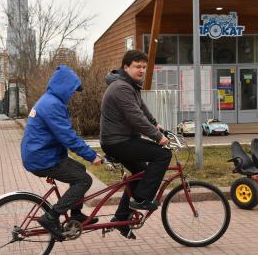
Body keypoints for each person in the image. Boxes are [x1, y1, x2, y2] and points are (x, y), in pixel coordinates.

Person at [21, 65, 102, 241]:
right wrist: (92, 156)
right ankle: (51, 217)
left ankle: (76, 215)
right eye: (72, 90)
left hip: (42, 154)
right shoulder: (52, 105)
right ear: (64, 86)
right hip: (43, 159)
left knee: (79, 169)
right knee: (84, 180)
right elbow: (68, 137)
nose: (73, 94)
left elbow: (63, 135)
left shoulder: (49, 100)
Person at [100, 50, 172, 239]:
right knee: (163, 155)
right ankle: (140, 200)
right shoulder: (121, 88)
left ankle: (120, 218)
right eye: (137, 66)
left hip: (123, 139)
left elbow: (142, 110)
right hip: (118, 142)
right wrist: (158, 137)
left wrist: (156, 124)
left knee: (140, 174)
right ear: (126, 67)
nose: (141, 70)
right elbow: (135, 117)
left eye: (144, 67)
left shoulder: (130, 85)